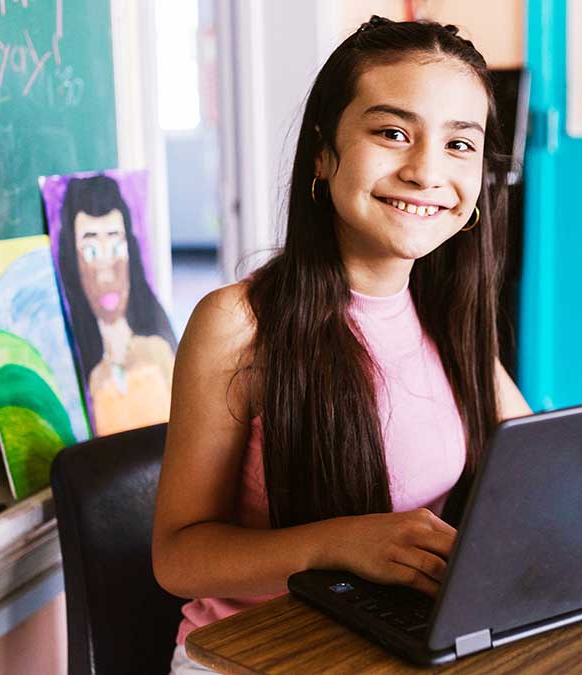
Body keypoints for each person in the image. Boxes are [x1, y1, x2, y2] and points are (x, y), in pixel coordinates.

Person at [152, 17, 533, 673]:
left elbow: (541, 468)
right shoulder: (238, 324)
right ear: (324, 155)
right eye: (392, 133)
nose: (425, 171)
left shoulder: (449, 313)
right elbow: (178, 558)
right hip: (250, 654)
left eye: (459, 145)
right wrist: (337, 543)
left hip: (386, 642)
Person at [56, 174, 178, 436]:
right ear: (72, 262)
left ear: (130, 250)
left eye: (115, 247)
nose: (106, 272)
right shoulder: (79, 373)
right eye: (90, 252)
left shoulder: (158, 351)